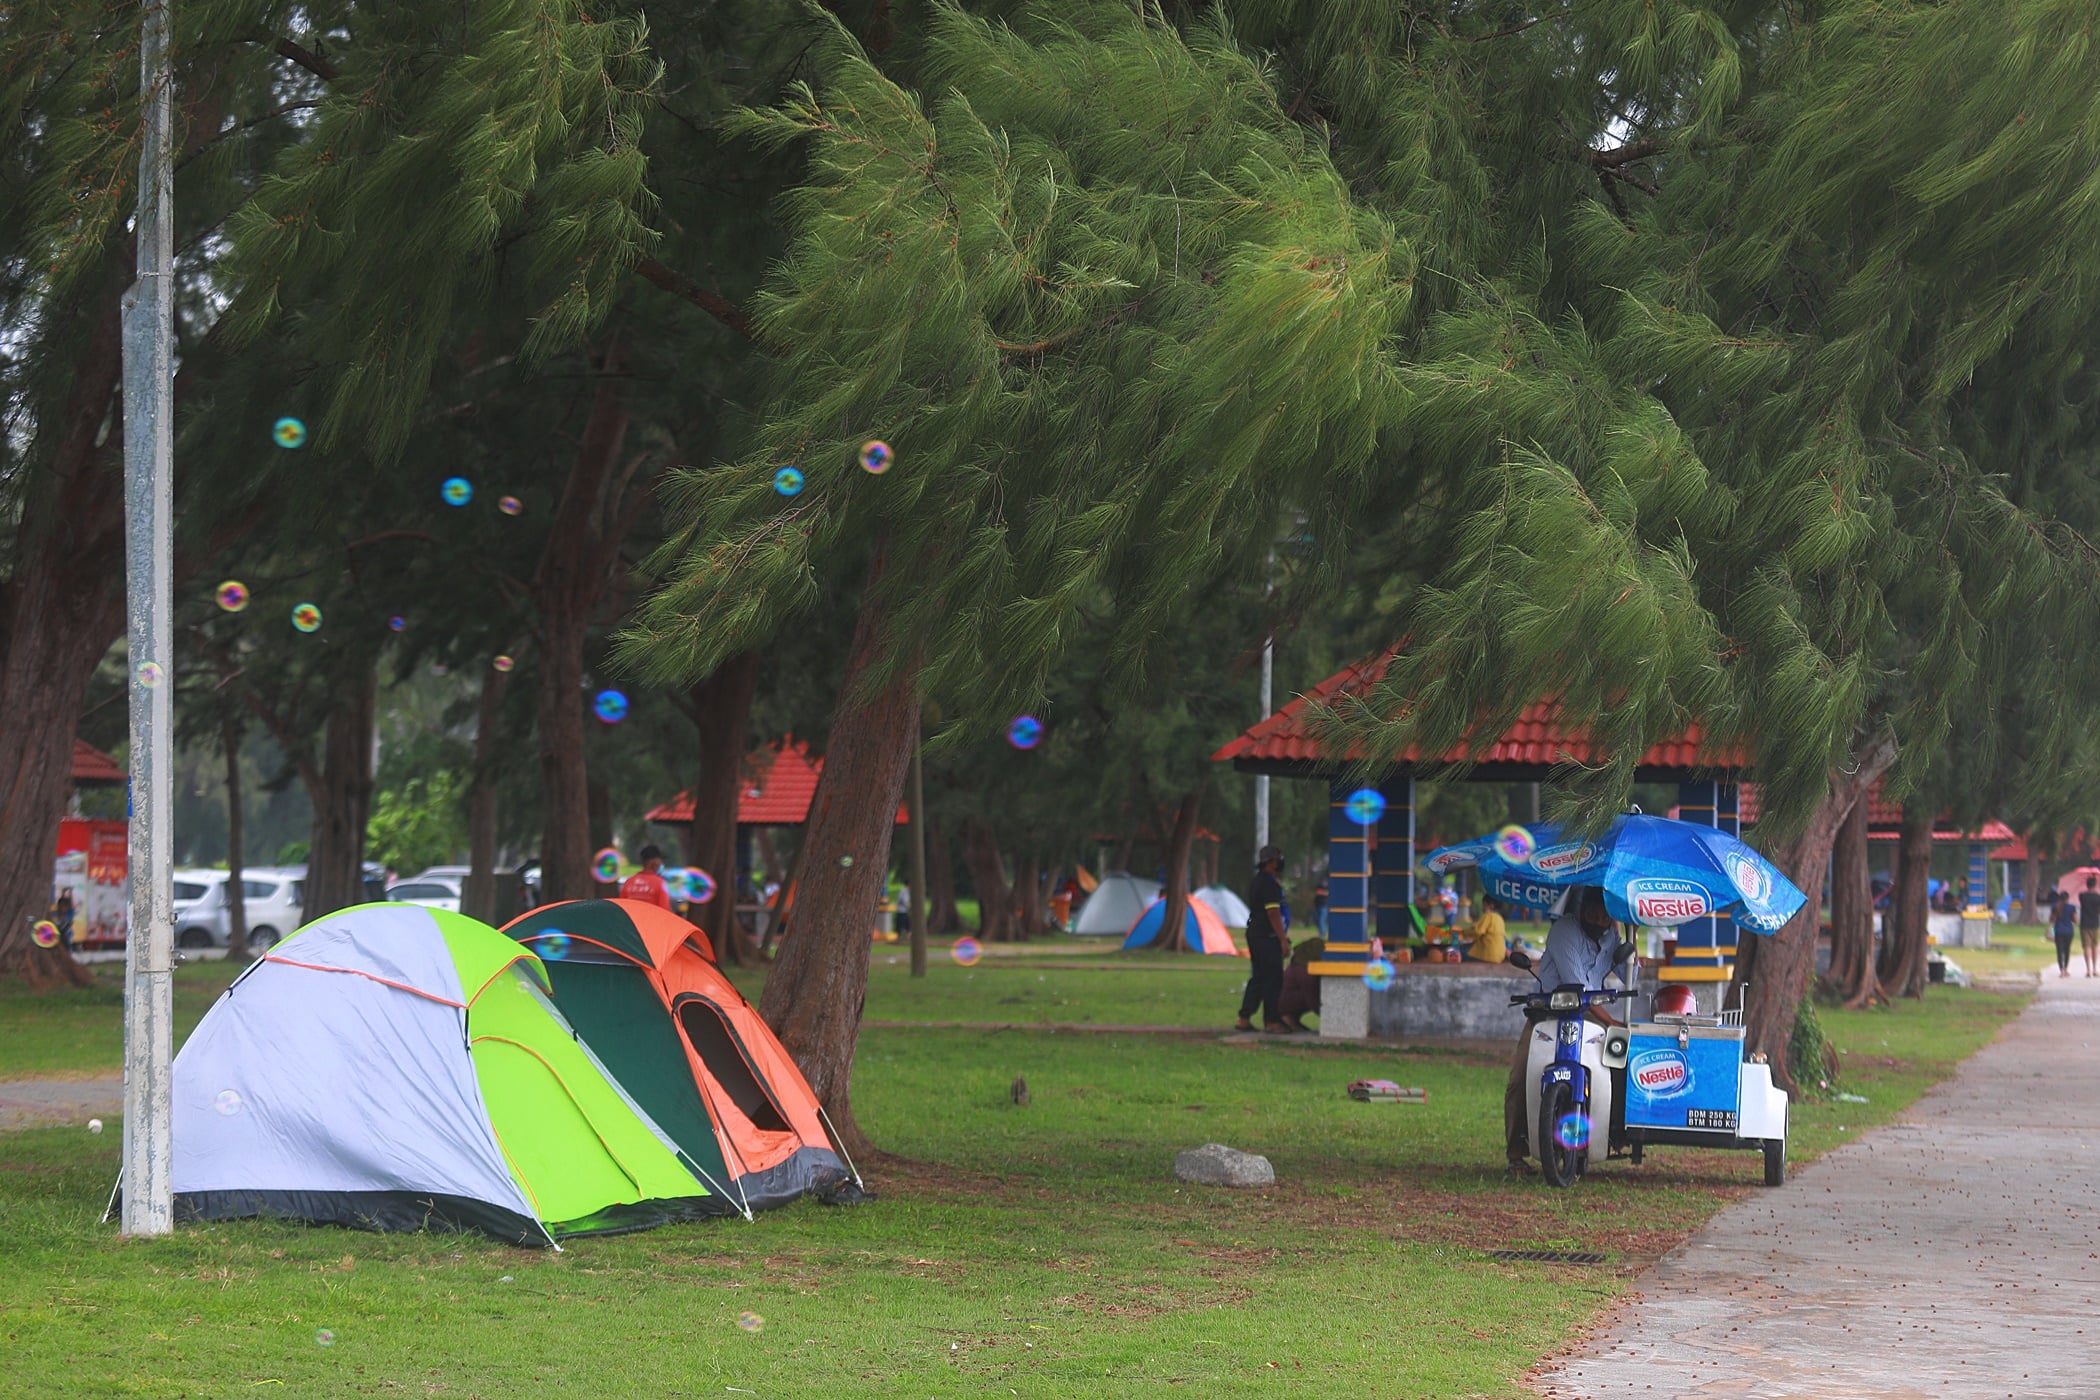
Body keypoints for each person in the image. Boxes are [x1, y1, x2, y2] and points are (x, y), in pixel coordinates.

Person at [1505, 886, 1624, 1174]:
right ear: (1581, 909)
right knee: (1520, 1079)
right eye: (1593, 913)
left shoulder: (1611, 936)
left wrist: (1624, 936)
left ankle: (1615, 1134)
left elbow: (1630, 974)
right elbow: (1577, 986)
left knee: (1619, 1064)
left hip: (1589, 1016)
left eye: (1605, 916)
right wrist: (1611, 1022)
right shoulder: (1564, 931)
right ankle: (1516, 1153)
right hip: (1548, 1013)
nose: (1598, 921)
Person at [1236, 845, 1292, 1033]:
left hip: (1258, 934)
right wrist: (1282, 939)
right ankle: (1271, 1020)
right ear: (1271, 863)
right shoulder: (1268, 885)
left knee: (1259, 977)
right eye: (1277, 860)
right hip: (1266, 936)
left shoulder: (1260, 881)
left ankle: (1244, 1017)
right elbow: (1273, 913)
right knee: (1273, 978)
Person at [1278, 935, 1324, 1032]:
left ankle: (1290, 1019)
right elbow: (1312, 998)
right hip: (1282, 1003)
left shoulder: (1297, 966)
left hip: (1281, 1000)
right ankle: (1286, 1017)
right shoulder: (1304, 971)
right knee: (1313, 994)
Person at [619, 844, 673, 910]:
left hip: (632, 916)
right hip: (652, 917)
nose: (661, 863)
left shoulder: (629, 882)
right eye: (660, 860)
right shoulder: (660, 883)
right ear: (654, 861)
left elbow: (622, 908)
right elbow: (665, 910)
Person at [1462, 894, 1508, 963]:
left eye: (1484, 905)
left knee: (1460, 951)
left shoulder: (1488, 916)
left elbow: (1478, 932)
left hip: (1487, 955)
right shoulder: (1500, 919)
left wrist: (1464, 932)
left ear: (1491, 906)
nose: (1482, 907)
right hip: (1500, 956)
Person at [2051, 892, 2077, 978]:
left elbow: (2051, 919)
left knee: (2059, 951)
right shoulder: (2072, 907)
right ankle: (2065, 969)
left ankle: (2061, 970)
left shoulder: (2055, 906)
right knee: (2067, 950)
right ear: (2068, 898)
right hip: (2069, 931)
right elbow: (2075, 920)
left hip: (2058, 930)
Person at [2080, 877, 2100, 978]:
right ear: (2095, 885)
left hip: (2084, 924)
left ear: (2087, 885)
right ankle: (2095, 969)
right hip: (2095, 923)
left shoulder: (2082, 896)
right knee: (2094, 946)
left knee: (2086, 946)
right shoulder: (2098, 897)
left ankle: (2088, 970)